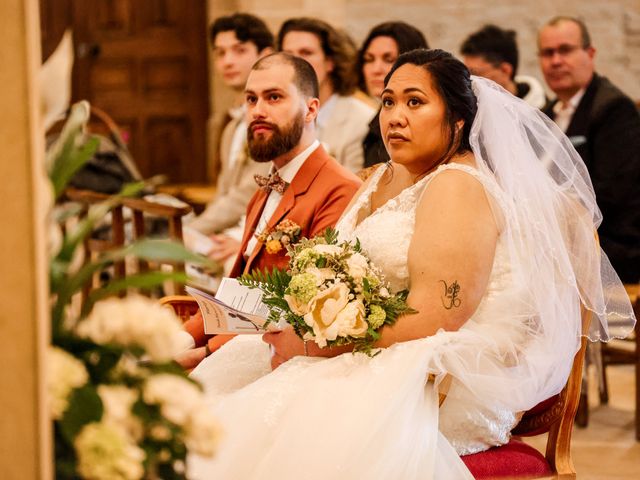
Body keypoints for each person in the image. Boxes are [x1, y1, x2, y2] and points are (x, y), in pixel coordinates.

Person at [186, 49, 635, 479]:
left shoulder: (458, 186)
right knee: (226, 383)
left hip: (440, 374)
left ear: (457, 119)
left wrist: (316, 345)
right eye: (387, 101)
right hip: (376, 345)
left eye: (415, 102)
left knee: (275, 423)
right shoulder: (382, 175)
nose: (394, 116)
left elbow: (436, 315)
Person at [176, 52, 362, 369]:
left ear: (311, 109)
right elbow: (236, 290)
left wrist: (205, 355)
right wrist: (179, 339)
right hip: (234, 344)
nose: (258, 111)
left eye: (273, 97)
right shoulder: (264, 189)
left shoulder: (339, 190)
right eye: (251, 99)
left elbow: (299, 307)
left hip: (280, 358)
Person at [539, 16, 640, 282]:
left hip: (607, 243)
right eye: (548, 53)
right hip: (554, 237)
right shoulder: (546, 114)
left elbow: (609, 193)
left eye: (565, 50)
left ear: (590, 53)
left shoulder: (613, 110)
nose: (556, 61)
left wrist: (544, 215)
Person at [186, 13, 273, 266]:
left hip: (259, 230)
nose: (227, 61)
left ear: (265, 54)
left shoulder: (271, 123)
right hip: (228, 228)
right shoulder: (231, 124)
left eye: (239, 50)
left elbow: (251, 190)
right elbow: (224, 190)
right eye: (220, 53)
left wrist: (197, 228)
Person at [278, 17, 377, 173]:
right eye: (288, 55)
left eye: (306, 53)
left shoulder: (361, 121)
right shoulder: (280, 115)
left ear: (330, 61)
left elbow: (356, 189)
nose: (296, 63)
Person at [356, 21, 429, 167]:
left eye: (388, 59)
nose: (376, 69)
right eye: (369, 60)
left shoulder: (420, 122)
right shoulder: (376, 120)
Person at [461, 24, 547, 109]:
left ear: (505, 70)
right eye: (466, 75)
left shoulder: (548, 115)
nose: (469, 83)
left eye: (476, 74)